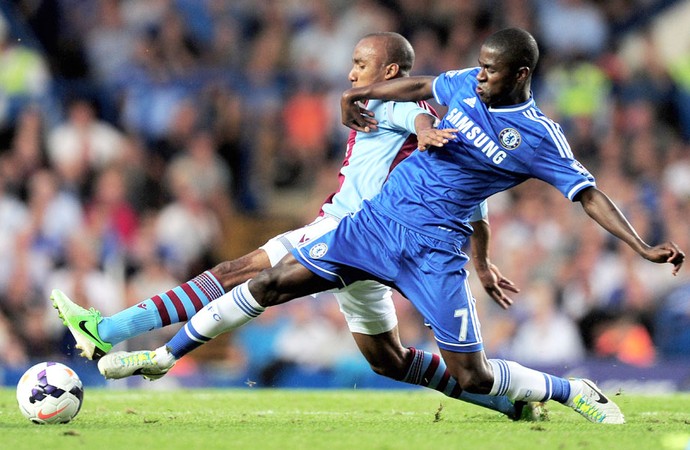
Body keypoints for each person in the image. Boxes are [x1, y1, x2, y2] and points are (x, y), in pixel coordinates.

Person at [102, 27, 686, 424]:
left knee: (473, 376)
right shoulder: (461, 85)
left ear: (521, 73)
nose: (478, 76)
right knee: (268, 280)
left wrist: (640, 246)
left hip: (435, 251)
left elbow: (589, 195)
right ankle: (163, 355)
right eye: (479, 67)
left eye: (490, 71)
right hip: (375, 227)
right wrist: (357, 96)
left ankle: (572, 390)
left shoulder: (539, 139)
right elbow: (415, 86)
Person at [52, 32, 536, 420]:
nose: (351, 72)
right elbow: (471, 200)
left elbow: (409, 113)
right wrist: (482, 260)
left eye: (361, 64)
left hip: (349, 232)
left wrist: (422, 128)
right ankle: (501, 399)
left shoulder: (395, 105)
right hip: (371, 241)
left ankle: (109, 330)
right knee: (388, 359)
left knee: (234, 273)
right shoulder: (437, 122)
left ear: (390, 72)